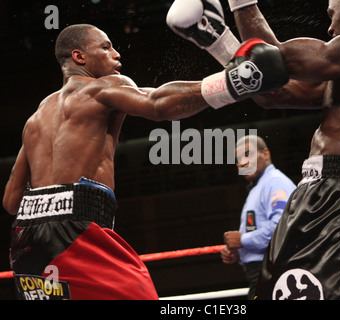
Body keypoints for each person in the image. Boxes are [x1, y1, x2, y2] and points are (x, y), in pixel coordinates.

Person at [2, 24, 289, 300]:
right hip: (76, 232)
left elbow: (11, 201)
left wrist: (51, 198)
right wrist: (232, 82)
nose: (117, 54)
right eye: (105, 47)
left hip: (25, 241)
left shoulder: (35, 119)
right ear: (79, 57)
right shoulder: (101, 89)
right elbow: (157, 105)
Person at [167, 0, 340, 299]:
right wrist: (216, 39)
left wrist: (239, 4)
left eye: (333, 14)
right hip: (316, 196)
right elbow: (273, 89)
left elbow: (272, 60)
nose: (330, 27)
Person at [221, 135, 296, 300]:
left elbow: (281, 228)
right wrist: (239, 252)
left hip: (273, 272)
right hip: (262, 273)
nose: (243, 163)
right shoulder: (258, 187)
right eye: (238, 159)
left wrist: (243, 240)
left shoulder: (275, 182)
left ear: (266, 154)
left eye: (248, 155)